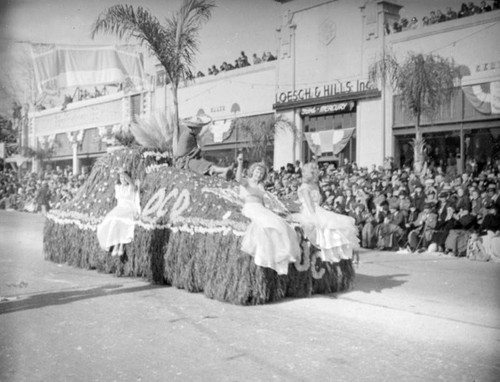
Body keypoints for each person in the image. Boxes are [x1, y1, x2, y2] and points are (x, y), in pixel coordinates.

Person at [235, 153, 300, 275]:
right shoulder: (247, 182)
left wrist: (272, 212)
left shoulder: (261, 185)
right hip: (251, 208)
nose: (258, 174)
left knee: (280, 224)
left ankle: (281, 255)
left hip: (261, 208)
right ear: (253, 171)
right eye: (257, 171)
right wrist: (240, 163)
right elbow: (238, 179)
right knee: (264, 225)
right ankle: (264, 257)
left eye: (261, 173)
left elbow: (263, 202)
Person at [293, 162, 359, 263]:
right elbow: (309, 205)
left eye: (315, 173)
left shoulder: (314, 185)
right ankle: (328, 253)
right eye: (313, 173)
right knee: (327, 226)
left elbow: (318, 201)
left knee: (336, 224)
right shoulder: (304, 187)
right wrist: (316, 217)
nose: (315, 175)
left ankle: (336, 254)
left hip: (318, 208)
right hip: (310, 211)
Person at [97, 168, 141, 259]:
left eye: (124, 177)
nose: (123, 179)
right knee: (112, 219)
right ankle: (115, 245)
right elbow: (118, 202)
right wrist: (121, 173)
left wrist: (123, 173)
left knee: (122, 220)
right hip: (119, 208)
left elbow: (132, 184)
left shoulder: (131, 187)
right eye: (121, 177)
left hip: (129, 208)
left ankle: (121, 246)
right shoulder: (118, 187)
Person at [174, 115, 233, 180]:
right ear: (194, 128)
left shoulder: (192, 136)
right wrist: (197, 151)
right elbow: (183, 152)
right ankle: (223, 171)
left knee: (203, 163)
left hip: (190, 159)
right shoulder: (187, 136)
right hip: (184, 162)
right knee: (201, 165)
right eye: (199, 128)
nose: (200, 130)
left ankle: (222, 173)